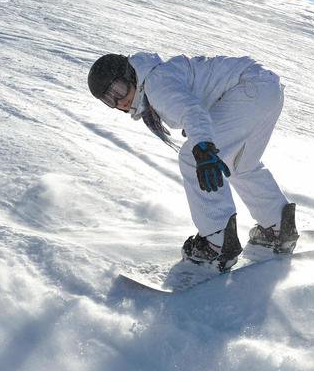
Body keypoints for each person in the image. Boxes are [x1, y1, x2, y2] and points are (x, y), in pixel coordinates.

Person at [88, 51, 298, 270]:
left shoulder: (155, 83)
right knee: (241, 165)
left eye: (118, 89)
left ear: (129, 74)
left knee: (191, 157)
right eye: (109, 99)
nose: (119, 101)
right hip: (265, 89)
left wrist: (203, 147)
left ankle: (217, 243)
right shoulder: (159, 78)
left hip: (250, 88)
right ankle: (278, 228)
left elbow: (192, 111)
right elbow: (195, 107)